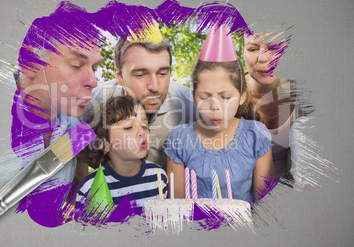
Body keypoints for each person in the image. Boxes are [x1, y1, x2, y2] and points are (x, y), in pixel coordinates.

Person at [11, 1, 103, 227]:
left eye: (94, 69)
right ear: (32, 63)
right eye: (76, 64)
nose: (93, 80)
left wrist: (73, 202)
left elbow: (80, 172)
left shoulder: (75, 118)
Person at [166, 24, 274, 203]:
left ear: (242, 96)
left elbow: (266, 209)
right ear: (193, 96)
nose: (215, 106)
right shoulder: (180, 138)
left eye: (225, 97)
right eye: (206, 96)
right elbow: (176, 210)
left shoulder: (256, 135)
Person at [85, 22, 197, 170]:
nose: (155, 87)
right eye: (140, 75)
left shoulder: (192, 107)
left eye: (163, 73)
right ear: (119, 76)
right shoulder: (91, 103)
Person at [76, 95, 168, 215]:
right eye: (128, 127)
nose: (142, 132)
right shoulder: (90, 187)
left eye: (145, 125)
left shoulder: (159, 176)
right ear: (104, 144)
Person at [243, 30, 300, 181]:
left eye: (274, 47)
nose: (262, 58)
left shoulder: (304, 95)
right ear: (243, 51)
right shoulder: (227, 94)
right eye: (252, 49)